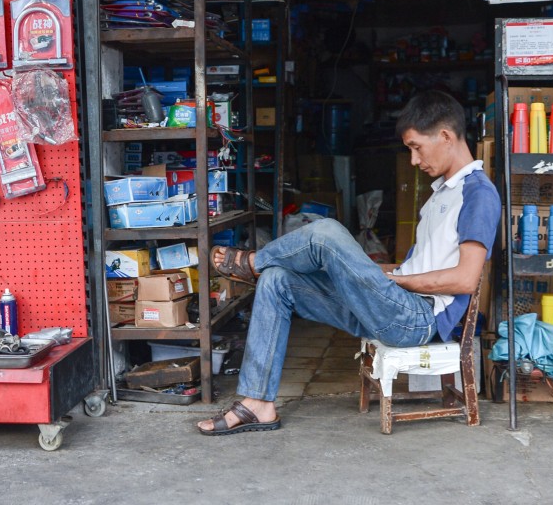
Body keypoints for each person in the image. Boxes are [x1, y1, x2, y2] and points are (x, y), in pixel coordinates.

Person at [198, 90, 501, 435]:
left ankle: (253, 262)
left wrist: (394, 281)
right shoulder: (441, 194)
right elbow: (415, 268)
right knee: (277, 280)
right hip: (393, 305)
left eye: (416, 147)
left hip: (416, 319)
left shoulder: (478, 194)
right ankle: (258, 404)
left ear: (445, 136)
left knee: (326, 232)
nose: (414, 160)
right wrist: (370, 271)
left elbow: (465, 279)